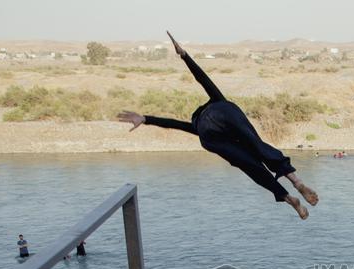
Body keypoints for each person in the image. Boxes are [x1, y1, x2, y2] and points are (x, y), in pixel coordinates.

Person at [117, 31, 319, 221]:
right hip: (225, 115)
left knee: (251, 167)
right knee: (260, 147)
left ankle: (288, 198)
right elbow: (203, 79)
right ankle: (297, 182)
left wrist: (145, 118)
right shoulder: (215, 101)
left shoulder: (197, 127)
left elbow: (174, 124)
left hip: (213, 138)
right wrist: (185, 55)